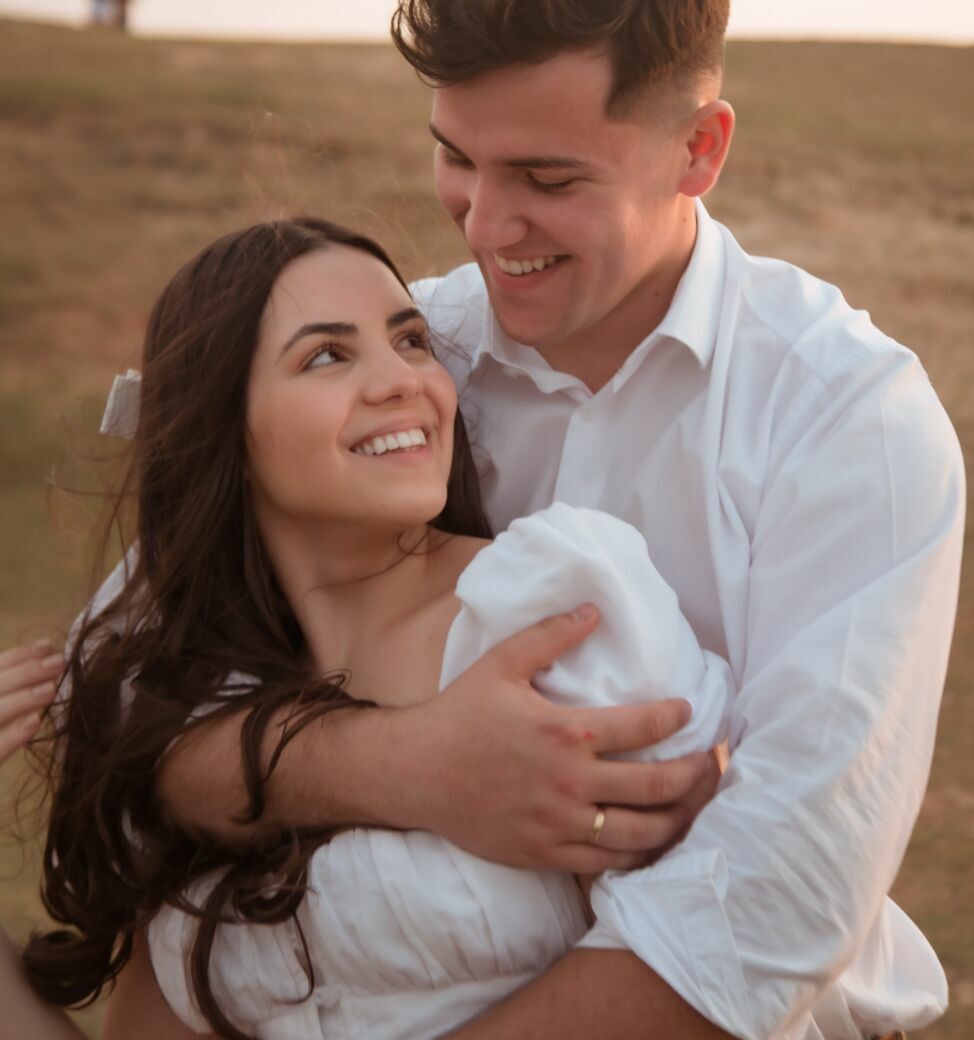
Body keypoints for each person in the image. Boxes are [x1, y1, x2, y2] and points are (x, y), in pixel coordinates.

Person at [151, 0, 966, 1040]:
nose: (483, 225)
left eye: (545, 178)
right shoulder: (407, 366)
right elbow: (152, 713)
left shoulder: (849, 417)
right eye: (457, 158)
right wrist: (405, 764)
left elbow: (777, 901)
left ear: (698, 150)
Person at [5, 216, 731, 1040]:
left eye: (412, 341)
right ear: (226, 434)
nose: (401, 382)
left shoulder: (548, 611)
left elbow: (709, 964)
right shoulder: (201, 706)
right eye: (326, 355)